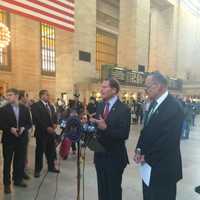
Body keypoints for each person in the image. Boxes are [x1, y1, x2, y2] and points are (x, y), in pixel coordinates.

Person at [134, 72, 184, 200]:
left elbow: (168, 141)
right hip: (149, 168)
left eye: (148, 87)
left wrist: (147, 157)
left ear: (159, 86)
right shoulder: (153, 104)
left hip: (164, 170)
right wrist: (139, 150)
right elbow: (145, 131)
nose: (146, 91)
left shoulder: (174, 106)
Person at [90, 78, 131, 200]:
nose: (101, 89)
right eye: (101, 86)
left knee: (113, 191)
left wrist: (105, 128)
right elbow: (98, 127)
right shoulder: (100, 105)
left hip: (115, 158)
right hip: (100, 156)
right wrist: (90, 125)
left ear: (114, 90)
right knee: (102, 189)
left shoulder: (124, 109)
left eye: (104, 87)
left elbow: (124, 134)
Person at [0, 88, 32, 194]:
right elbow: (1, 124)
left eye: (10, 95)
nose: (8, 97)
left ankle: (17, 180)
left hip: (21, 139)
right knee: (7, 162)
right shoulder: (3, 109)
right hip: (8, 140)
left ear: (17, 95)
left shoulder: (24, 109)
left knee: (19, 161)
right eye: (7, 95)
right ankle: (6, 184)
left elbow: (29, 123)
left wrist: (23, 128)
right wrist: (10, 129)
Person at [31, 90, 59, 178]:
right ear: (42, 96)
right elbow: (36, 119)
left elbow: (54, 116)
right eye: (47, 95)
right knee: (40, 152)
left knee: (51, 151)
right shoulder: (35, 106)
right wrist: (46, 128)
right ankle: (37, 170)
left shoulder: (50, 106)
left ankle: (51, 167)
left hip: (51, 133)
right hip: (41, 133)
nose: (48, 96)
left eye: (48, 95)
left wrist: (55, 123)